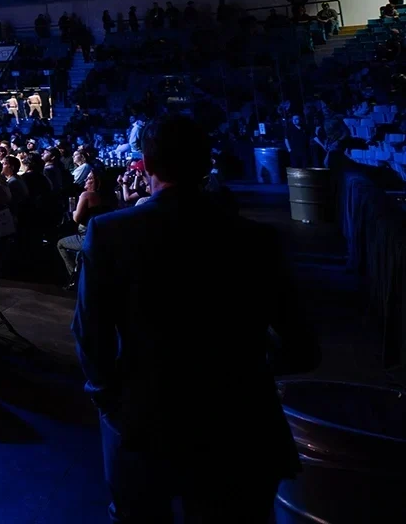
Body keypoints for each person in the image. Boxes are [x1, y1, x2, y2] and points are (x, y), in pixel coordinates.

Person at [74, 115, 320, 521]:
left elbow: (89, 332)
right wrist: (246, 368)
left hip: (143, 415)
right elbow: (302, 347)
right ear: (206, 164)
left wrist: (109, 400)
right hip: (239, 419)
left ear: (146, 165)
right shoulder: (257, 240)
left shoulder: (109, 232)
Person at [58, 167, 118, 282]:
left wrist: (74, 211)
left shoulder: (86, 195)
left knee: (60, 244)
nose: (86, 180)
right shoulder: (111, 197)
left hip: (88, 236)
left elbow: (76, 218)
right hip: (107, 236)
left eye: (90, 178)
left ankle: (74, 276)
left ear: (97, 182)